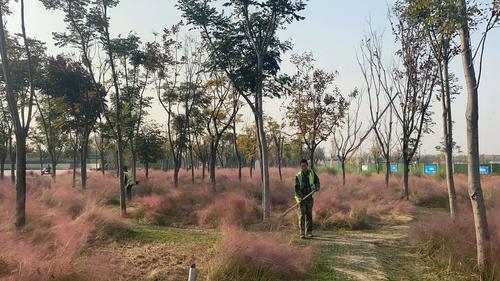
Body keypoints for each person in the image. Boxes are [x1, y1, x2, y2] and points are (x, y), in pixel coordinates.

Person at [294, 159, 320, 239]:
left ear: (307, 166)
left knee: (309, 215)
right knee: (302, 215)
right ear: (300, 167)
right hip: (301, 198)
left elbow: (317, 180)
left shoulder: (311, 173)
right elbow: (297, 188)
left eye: (304, 166)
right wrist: (301, 197)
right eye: (302, 166)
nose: (303, 167)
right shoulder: (298, 176)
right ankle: (302, 233)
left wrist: (317, 187)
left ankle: (309, 232)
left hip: (309, 197)